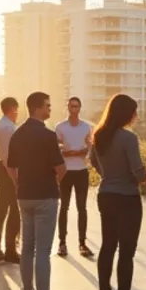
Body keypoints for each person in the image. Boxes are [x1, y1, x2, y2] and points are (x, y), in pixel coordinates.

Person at [7, 92, 71, 290]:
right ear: (37, 108)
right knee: (43, 251)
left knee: (27, 247)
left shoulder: (17, 134)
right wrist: (53, 183)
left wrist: (19, 184)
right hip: (45, 197)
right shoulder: (47, 135)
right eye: (47, 106)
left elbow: (10, 166)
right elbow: (61, 169)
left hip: (24, 196)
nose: (50, 109)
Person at [91, 94, 146, 290]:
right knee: (127, 250)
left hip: (106, 194)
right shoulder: (128, 138)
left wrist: (109, 175)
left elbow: (94, 161)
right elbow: (137, 172)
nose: (136, 116)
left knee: (108, 246)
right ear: (127, 113)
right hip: (127, 198)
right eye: (134, 111)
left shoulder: (99, 135)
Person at [54, 97, 94, 259]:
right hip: (65, 172)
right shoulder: (60, 127)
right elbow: (56, 150)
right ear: (67, 108)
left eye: (76, 106)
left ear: (80, 107)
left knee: (82, 208)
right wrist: (71, 153)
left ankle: (82, 243)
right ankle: (62, 243)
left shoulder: (87, 127)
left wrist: (79, 152)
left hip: (81, 171)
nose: (74, 109)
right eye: (71, 106)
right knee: (64, 207)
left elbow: (90, 149)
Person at [0, 97, 22, 265]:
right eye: (17, 109)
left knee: (1, 210)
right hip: (7, 170)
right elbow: (9, 157)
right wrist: (15, 178)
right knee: (13, 210)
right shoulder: (7, 127)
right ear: (12, 109)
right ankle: (9, 250)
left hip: (2, 168)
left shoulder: (2, 125)